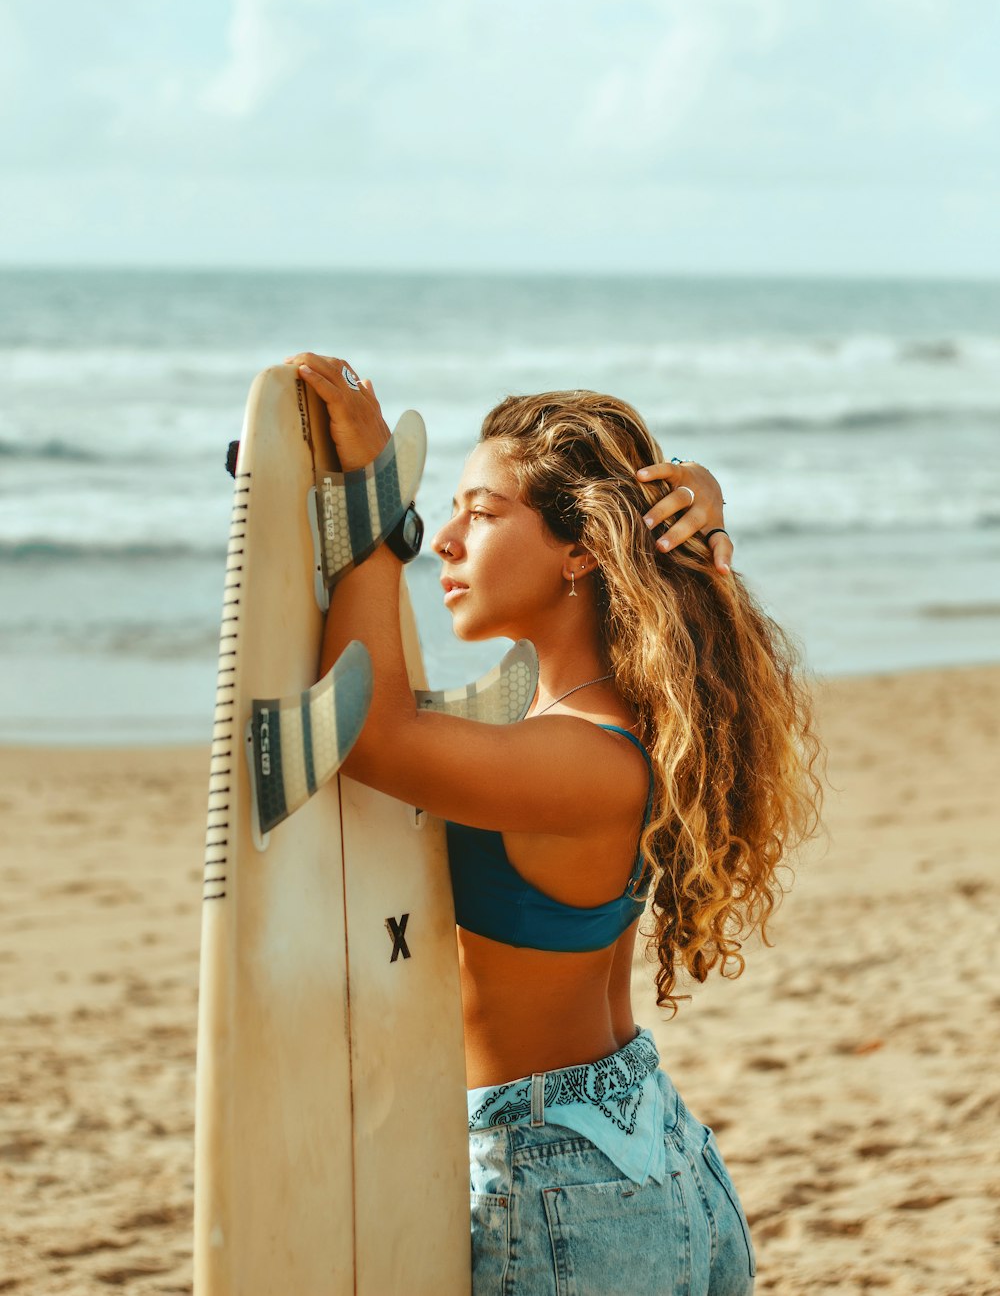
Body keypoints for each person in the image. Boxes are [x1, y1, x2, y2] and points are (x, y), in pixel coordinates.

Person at [285, 352, 823, 1296]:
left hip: (563, 1184)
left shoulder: (580, 761)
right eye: (445, 512)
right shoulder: (618, 724)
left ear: (583, 550)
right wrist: (701, 494)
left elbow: (367, 729)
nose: (446, 539)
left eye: (480, 513)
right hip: (645, 1156)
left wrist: (377, 518)